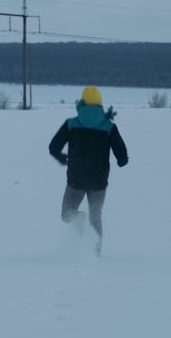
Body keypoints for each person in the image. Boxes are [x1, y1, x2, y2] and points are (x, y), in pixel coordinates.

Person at [48, 86, 128, 255]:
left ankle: (78, 217)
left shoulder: (71, 124)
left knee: (66, 214)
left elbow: (53, 147)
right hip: (99, 182)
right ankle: (95, 253)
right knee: (96, 218)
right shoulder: (109, 127)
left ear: (82, 104)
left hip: (76, 179)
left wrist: (62, 158)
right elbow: (122, 155)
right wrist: (121, 160)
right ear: (100, 105)